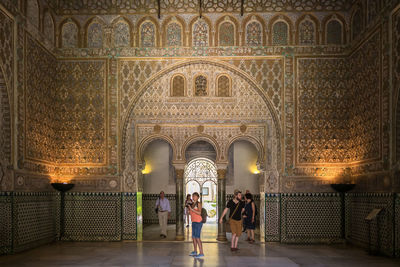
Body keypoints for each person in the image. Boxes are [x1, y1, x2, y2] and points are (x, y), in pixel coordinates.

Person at [188, 192, 204, 258]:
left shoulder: (198, 204)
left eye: (194, 196)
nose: (193, 197)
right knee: (194, 237)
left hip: (198, 222)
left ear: (197, 197)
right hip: (193, 221)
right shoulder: (192, 204)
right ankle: (195, 251)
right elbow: (191, 213)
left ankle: (201, 253)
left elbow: (200, 213)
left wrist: (192, 209)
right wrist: (189, 210)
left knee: (197, 237)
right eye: (193, 196)